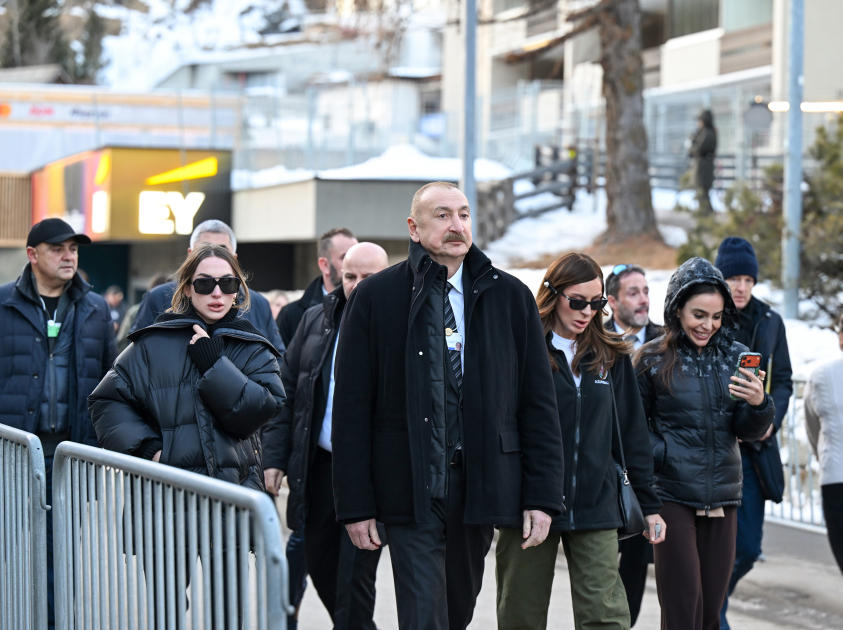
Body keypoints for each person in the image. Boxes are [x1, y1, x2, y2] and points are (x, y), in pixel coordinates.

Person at [332, 181, 564, 630]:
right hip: (409, 488)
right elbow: (351, 410)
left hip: (480, 486)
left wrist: (542, 495)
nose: (456, 225)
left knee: (455, 611)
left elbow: (538, 404)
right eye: (442, 215)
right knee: (423, 616)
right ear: (413, 228)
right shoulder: (375, 298)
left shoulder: (511, 297)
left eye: (463, 214)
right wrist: (355, 504)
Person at [496, 252, 665, 630]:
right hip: (530, 501)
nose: (587, 311)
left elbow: (633, 435)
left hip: (596, 502)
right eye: (577, 301)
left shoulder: (612, 354)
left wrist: (649, 503)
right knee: (520, 615)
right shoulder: (524, 347)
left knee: (606, 618)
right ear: (552, 294)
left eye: (597, 302)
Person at [635, 257, 774, 630]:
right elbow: (630, 431)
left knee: (711, 613)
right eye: (699, 314)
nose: (708, 325)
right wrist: (663, 455)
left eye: (716, 316)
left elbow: (747, 430)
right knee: (683, 610)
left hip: (723, 495)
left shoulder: (736, 356)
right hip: (672, 496)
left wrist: (760, 403)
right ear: (677, 308)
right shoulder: (650, 359)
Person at [263, 242, 389, 628]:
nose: (357, 285)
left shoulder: (400, 326)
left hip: (370, 477)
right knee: (319, 566)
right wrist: (274, 457)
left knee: (354, 582)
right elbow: (286, 393)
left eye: (368, 278)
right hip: (317, 469)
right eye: (350, 276)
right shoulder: (317, 318)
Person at [0, 217, 116, 629]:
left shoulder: (95, 308)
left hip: (70, 457)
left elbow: (109, 382)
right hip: (11, 457)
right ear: (32, 255)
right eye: (58, 249)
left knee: (59, 553)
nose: (69, 256)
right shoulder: (3, 305)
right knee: (10, 551)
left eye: (74, 249)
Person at [714, 236, 792, 630]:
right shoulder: (710, 318)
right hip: (717, 450)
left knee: (747, 549)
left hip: (756, 455)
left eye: (747, 278)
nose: (741, 286)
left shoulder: (770, 321)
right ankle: (715, 614)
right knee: (717, 549)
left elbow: (784, 380)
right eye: (733, 278)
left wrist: (770, 419)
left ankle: (713, 604)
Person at [605, 263, 664, 626]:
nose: (643, 300)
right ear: (611, 301)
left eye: (645, 291)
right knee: (598, 565)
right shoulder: (594, 337)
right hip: (604, 465)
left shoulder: (664, 340)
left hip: (644, 471)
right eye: (633, 292)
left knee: (635, 563)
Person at [130, 219, 284, 353]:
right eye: (204, 249)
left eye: (222, 250)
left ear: (234, 258)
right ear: (190, 254)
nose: (213, 255)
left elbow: (275, 362)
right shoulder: (158, 297)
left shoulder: (258, 304)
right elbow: (137, 357)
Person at [804, 310, 843, 574]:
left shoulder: (820, 374)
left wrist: (826, 456)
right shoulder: (821, 375)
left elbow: (812, 428)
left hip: (834, 476)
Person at [276, 227, 358, 347]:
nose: (353, 263)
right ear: (324, 265)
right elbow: (280, 362)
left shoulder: (369, 309)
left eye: (355, 256)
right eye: (345, 257)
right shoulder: (291, 315)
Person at [688, 109, 717, 214]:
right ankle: (705, 215)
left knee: (702, 193)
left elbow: (697, 150)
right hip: (702, 167)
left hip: (703, 169)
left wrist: (693, 142)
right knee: (702, 193)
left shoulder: (708, 133)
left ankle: (706, 217)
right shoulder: (705, 132)